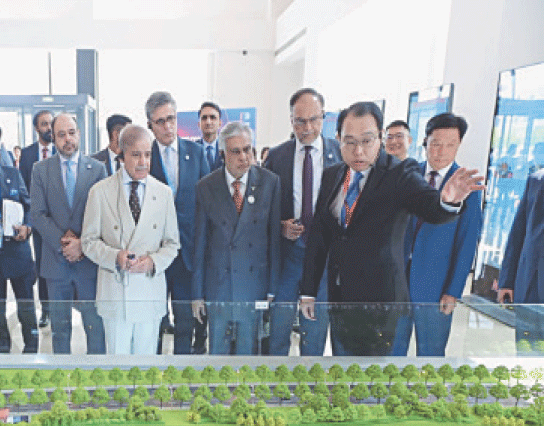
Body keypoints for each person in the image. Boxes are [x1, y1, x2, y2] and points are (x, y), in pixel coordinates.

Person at [299, 101, 483, 356]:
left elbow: (429, 206)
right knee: (344, 366)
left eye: (367, 141)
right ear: (338, 138)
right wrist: (309, 291)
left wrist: (447, 202)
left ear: (380, 137)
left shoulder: (400, 173)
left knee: (378, 373)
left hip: (382, 302)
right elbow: (320, 235)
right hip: (341, 298)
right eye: (350, 142)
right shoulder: (333, 175)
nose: (358, 151)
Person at [82, 124, 180, 354]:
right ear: (121, 155)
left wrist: (153, 262)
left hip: (149, 293)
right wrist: (115, 257)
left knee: (146, 364)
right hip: (115, 295)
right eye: (136, 155)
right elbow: (88, 241)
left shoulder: (163, 193)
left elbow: (172, 244)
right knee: (118, 364)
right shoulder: (100, 192)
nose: (143, 162)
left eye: (147, 155)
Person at [395, 113, 482, 356]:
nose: (441, 151)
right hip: (397, 282)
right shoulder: (407, 176)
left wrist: (453, 291)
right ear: (425, 142)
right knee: (391, 349)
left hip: (436, 286)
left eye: (450, 145)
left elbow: (466, 244)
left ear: (459, 145)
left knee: (431, 354)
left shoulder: (467, 187)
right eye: (435, 143)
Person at [263, 87, 341, 356]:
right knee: (278, 332)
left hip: (324, 259)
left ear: (324, 117)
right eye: (300, 121)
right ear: (291, 120)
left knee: (315, 335)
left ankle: (310, 380)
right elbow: (263, 209)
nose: (307, 128)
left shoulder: (340, 155)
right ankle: (275, 380)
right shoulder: (276, 157)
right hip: (288, 257)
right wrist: (280, 226)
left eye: (313, 120)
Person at [192, 121, 281, 355]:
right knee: (218, 352)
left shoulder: (270, 183)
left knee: (248, 352)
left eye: (247, 149)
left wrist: (272, 288)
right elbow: (200, 244)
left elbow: (274, 240)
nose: (244, 157)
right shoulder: (206, 186)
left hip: (253, 284)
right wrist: (197, 294)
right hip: (219, 284)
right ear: (223, 154)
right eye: (236, 151)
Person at [30, 113, 107, 354]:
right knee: (60, 329)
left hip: (88, 262)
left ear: (79, 134)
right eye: (61, 135)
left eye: (72, 133)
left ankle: (96, 374)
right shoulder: (40, 170)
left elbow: (104, 215)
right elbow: (38, 214)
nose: (68, 139)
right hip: (56, 262)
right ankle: (62, 374)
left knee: (95, 326)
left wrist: (82, 244)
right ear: (53, 138)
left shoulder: (97, 169)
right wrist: (64, 244)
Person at [146, 91, 210, 355]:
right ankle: (153, 371)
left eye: (171, 119)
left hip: (187, 253)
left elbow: (207, 204)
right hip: (154, 254)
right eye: (160, 121)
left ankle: (181, 370)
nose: (167, 126)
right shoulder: (144, 157)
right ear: (150, 125)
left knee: (185, 321)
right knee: (153, 323)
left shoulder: (196, 153)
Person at [0, 131, 38, 353]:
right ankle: (3, 352)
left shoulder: (12, 174)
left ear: (0, 152)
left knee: (26, 306)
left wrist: (27, 227)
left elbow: (29, 206)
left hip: (17, 250)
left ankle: (31, 348)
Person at [498, 166, 544, 353]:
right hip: (529, 284)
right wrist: (507, 281)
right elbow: (518, 232)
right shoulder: (536, 179)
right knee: (527, 352)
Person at [19, 110, 55, 329]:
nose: (49, 128)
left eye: (51, 123)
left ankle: (62, 306)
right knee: (42, 264)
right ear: (36, 128)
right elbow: (24, 188)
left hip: (61, 220)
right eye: (44, 124)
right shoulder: (27, 154)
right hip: (39, 220)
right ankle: (46, 309)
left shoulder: (61, 150)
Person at [197, 101, 224, 171]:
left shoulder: (227, 148)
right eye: (204, 118)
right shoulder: (192, 150)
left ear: (220, 123)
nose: (208, 122)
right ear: (199, 124)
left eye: (213, 117)